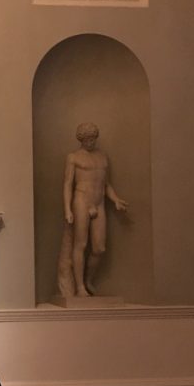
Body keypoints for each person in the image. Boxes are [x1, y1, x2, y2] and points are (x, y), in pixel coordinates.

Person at [59, 122, 127, 297]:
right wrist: (67, 209)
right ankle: (80, 286)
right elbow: (67, 184)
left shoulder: (102, 157)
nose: (90, 142)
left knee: (99, 248)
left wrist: (115, 199)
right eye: (87, 139)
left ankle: (88, 279)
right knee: (80, 244)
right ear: (81, 139)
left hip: (99, 202)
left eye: (93, 139)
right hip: (81, 200)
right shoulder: (73, 157)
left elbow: (106, 184)